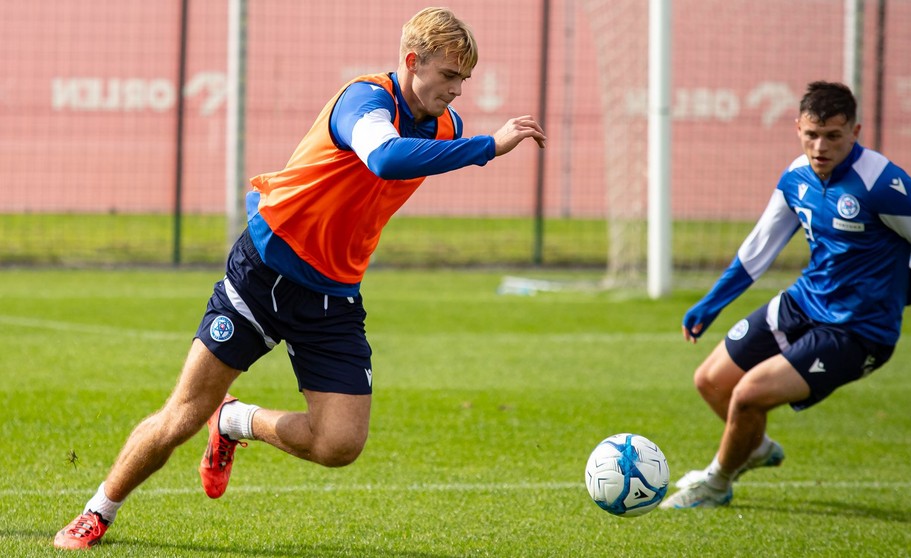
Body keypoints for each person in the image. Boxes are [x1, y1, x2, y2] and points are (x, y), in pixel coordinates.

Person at [54, 7, 546, 549]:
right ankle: (98, 512)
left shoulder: (445, 127)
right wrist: (487, 147)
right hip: (263, 274)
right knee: (182, 415)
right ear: (412, 62)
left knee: (340, 444)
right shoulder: (363, 100)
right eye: (449, 76)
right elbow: (383, 158)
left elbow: (406, 161)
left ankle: (237, 422)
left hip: (333, 294)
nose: (457, 92)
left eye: (464, 80)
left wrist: (470, 144)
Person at [660, 81, 911, 509]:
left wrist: (902, 295)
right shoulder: (797, 176)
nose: (820, 146)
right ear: (797, 127)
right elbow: (759, 247)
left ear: (855, 131)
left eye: (833, 136)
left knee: (747, 396)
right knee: (710, 381)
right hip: (804, 303)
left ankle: (716, 484)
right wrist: (712, 303)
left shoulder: (880, 184)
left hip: (856, 331)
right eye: (811, 135)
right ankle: (756, 449)